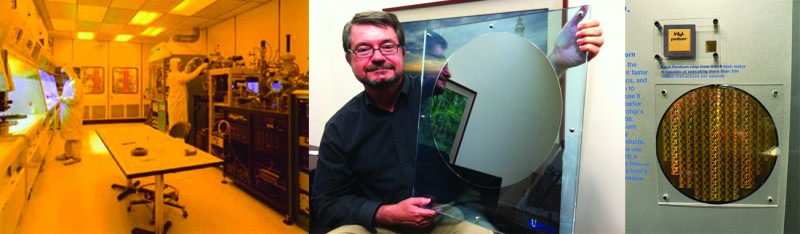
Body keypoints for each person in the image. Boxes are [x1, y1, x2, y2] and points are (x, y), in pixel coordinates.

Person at [312, 10, 604, 233]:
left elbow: (508, 119)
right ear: (350, 59)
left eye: (387, 46)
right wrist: (385, 213)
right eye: (364, 49)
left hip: (447, 217)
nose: (377, 57)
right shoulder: (340, 127)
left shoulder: (442, 95)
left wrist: (555, 61)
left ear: (402, 52)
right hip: (379, 225)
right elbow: (325, 204)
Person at [166, 57, 207, 130]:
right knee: (178, 125)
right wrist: (201, 67)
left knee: (177, 124)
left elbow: (183, 75)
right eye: (179, 64)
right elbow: (190, 76)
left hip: (176, 104)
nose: (181, 64)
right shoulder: (176, 76)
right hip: (177, 105)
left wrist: (189, 64)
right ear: (175, 66)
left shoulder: (173, 75)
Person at [56, 65, 84, 165]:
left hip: (74, 114)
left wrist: (62, 99)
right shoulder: (68, 83)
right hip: (68, 114)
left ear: (69, 73)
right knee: (68, 136)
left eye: (64, 74)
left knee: (74, 136)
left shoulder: (77, 83)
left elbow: (75, 99)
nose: (62, 76)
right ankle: (68, 154)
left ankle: (76, 156)